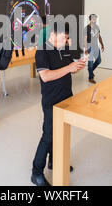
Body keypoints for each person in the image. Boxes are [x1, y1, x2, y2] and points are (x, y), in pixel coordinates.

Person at [31, 22, 86, 186]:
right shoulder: (42, 51)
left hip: (66, 98)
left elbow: (70, 69)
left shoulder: (63, 48)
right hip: (51, 100)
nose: (67, 41)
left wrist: (78, 66)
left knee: (60, 132)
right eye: (65, 37)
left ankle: (54, 162)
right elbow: (46, 76)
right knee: (48, 136)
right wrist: (69, 67)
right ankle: (36, 172)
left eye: (68, 38)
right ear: (53, 35)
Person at [84, 14, 105, 84]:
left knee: (99, 60)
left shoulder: (97, 27)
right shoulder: (87, 28)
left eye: (95, 19)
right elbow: (85, 39)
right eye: (93, 19)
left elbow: (99, 36)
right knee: (90, 63)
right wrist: (86, 49)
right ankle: (90, 78)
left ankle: (90, 71)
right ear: (90, 19)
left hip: (96, 46)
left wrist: (102, 44)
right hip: (89, 46)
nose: (95, 20)